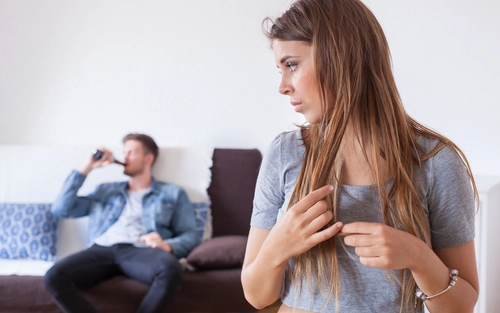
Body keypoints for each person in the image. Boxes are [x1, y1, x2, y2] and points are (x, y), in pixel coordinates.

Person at [241, 0, 479, 312]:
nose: (283, 86)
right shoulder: (284, 153)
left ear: (341, 59)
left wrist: (419, 258)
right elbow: (256, 296)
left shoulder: (436, 163)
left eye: (292, 65)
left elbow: (462, 306)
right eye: (280, 69)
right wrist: (277, 248)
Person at [44, 133, 200, 313]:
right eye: (124, 152)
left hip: (140, 251)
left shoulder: (172, 193)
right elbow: (61, 209)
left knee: (170, 269)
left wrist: (167, 246)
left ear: (148, 158)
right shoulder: (105, 190)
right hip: (101, 249)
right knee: (54, 276)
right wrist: (86, 168)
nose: (124, 158)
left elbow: (190, 235)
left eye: (131, 153)